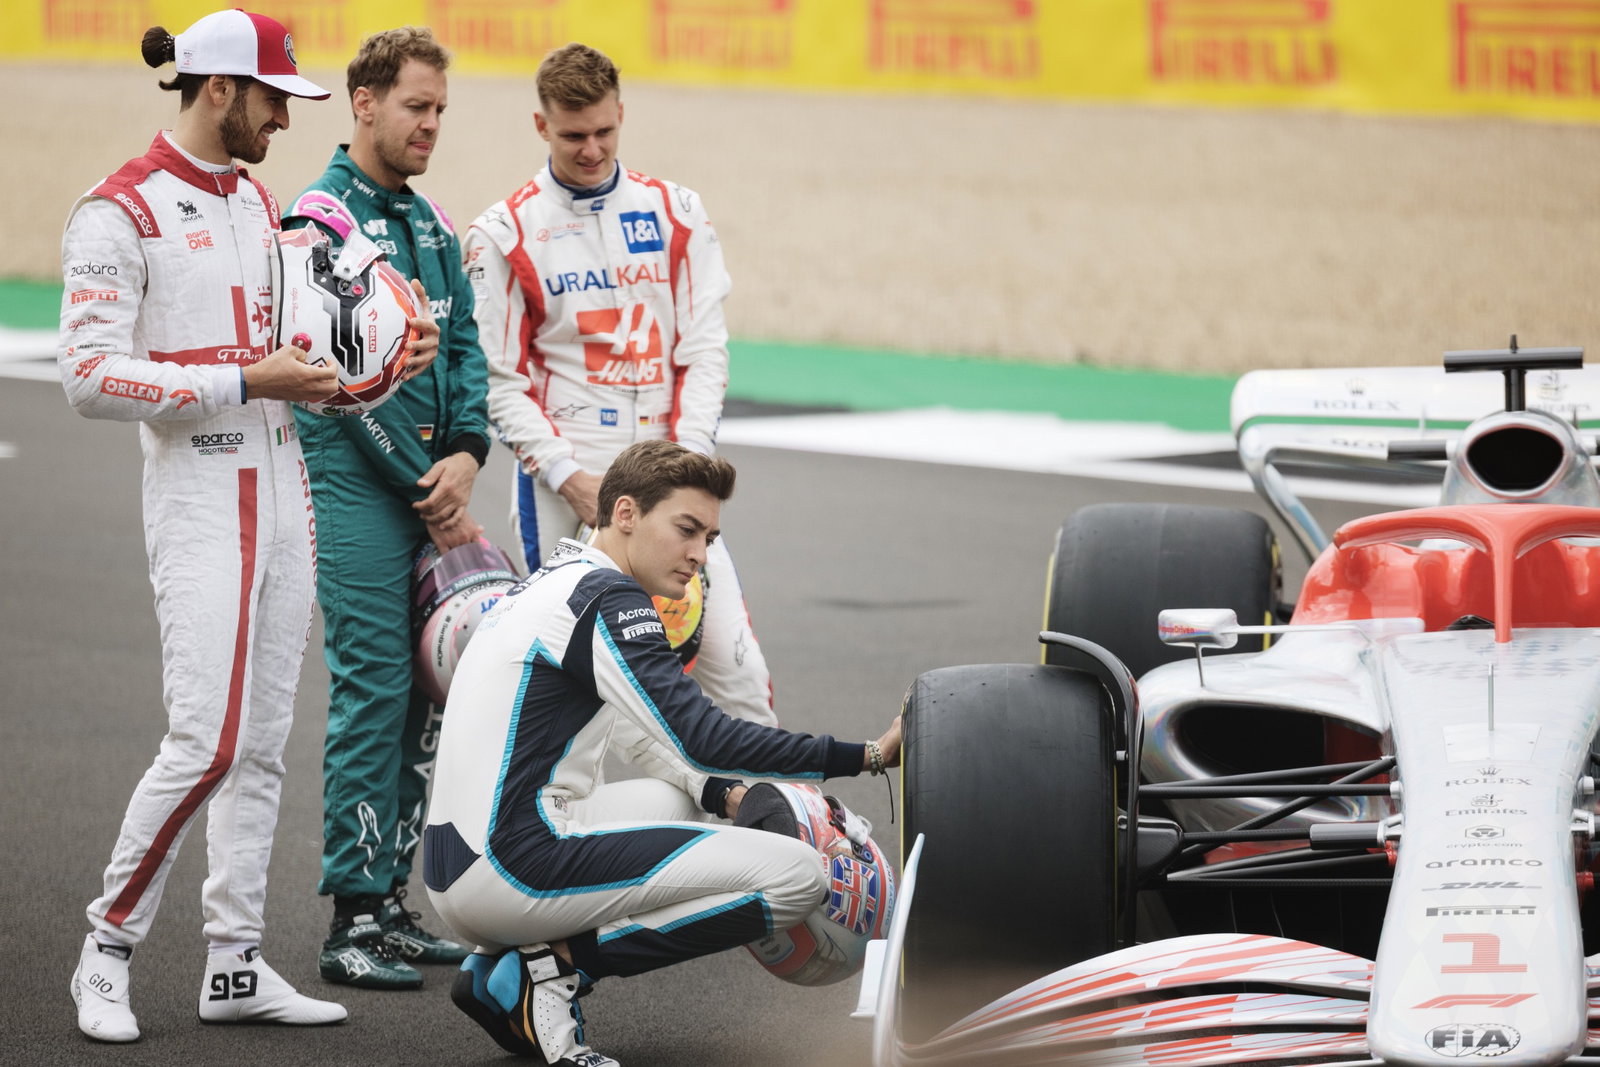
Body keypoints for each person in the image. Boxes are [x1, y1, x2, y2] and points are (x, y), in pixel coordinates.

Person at [423, 440, 903, 1065]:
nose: (701, 554)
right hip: (510, 868)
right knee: (798, 876)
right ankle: (552, 969)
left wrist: (724, 794)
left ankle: (502, 967)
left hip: (459, 869)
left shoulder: (550, 585)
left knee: (679, 798)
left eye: (710, 537)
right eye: (687, 529)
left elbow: (639, 733)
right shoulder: (609, 598)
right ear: (625, 513)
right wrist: (866, 755)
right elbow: (704, 736)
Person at [59, 9, 349, 1042]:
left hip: (285, 490)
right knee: (208, 740)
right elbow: (87, 377)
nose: (285, 119)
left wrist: (349, 369)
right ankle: (106, 949)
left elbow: (279, 351)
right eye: (274, 98)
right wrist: (245, 379)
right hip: (196, 498)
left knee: (260, 744)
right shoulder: (117, 210)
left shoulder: (257, 198)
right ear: (218, 87)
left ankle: (234, 962)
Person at [466, 42, 776, 728]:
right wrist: (570, 477)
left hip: (672, 461)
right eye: (573, 135)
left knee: (737, 671)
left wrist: (686, 464)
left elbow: (704, 349)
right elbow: (499, 381)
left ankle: (776, 796)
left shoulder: (677, 211)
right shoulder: (503, 232)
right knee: (592, 694)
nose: (592, 149)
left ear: (622, 114)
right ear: (541, 125)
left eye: (604, 131)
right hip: (570, 480)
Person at [282, 26, 490, 991]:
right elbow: (337, 384)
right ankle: (351, 916)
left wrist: (468, 452)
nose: (431, 124)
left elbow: (465, 348)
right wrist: (430, 487)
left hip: (431, 483)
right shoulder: (318, 221)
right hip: (358, 487)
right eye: (416, 106)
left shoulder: (434, 224)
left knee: (428, 697)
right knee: (374, 688)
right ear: (363, 104)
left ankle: (393, 903)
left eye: (440, 108)